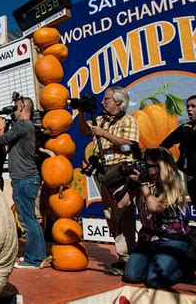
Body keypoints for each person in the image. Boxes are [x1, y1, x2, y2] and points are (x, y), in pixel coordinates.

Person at [79, 86, 139, 275]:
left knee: (124, 215)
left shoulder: (129, 120)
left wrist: (104, 134)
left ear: (119, 102)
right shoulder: (101, 120)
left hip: (121, 172)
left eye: (107, 99)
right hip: (104, 173)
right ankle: (123, 257)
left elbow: (129, 144)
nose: (103, 102)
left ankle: (129, 258)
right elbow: (84, 131)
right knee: (110, 216)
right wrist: (81, 112)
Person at [123, 147, 195, 288]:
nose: (145, 168)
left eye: (148, 165)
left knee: (154, 280)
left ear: (160, 166)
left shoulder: (171, 184)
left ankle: (184, 271)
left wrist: (143, 186)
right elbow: (121, 204)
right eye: (143, 164)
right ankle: (160, 263)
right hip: (147, 239)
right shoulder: (142, 182)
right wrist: (129, 184)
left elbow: (154, 208)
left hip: (171, 240)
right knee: (132, 276)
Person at [0, 96, 46, 269]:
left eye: (16, 107)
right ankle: (35, 256)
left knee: (28, 221)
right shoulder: (25, 127)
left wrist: (1, 129)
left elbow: (1, 140)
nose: (13, 111)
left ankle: (35, 259)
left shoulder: (22, 125)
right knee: (29, 219)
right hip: (25, 178)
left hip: (25, 179)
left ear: (23, 107)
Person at [160, 95, 196, 206]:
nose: (189, 109)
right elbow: (165, 144)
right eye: (187, 106)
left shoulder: (187, 130)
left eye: (193, 106)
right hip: (191, 177)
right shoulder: (185, 128)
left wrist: (188, 132)